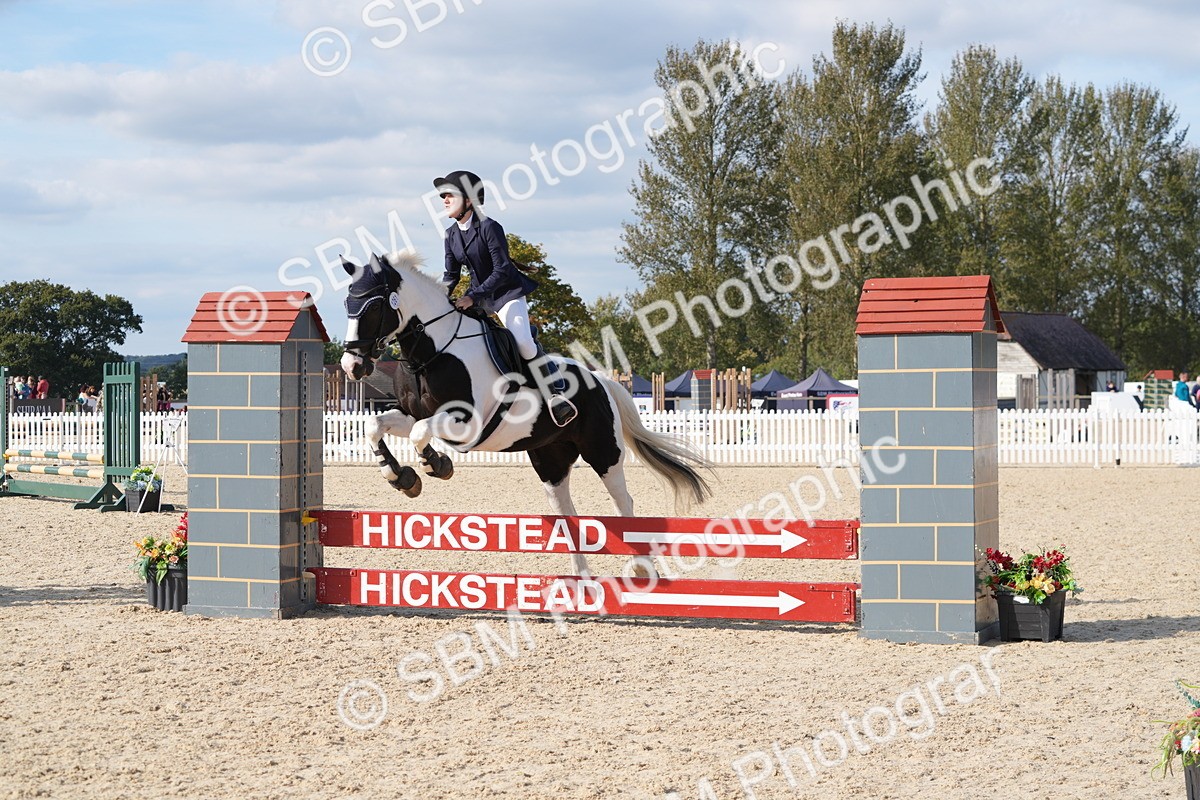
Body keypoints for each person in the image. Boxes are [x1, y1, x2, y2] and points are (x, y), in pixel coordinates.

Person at [434, 169, 577, 426]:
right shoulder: (451, 235)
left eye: (450, 194)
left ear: (469, 200)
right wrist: (440, 298)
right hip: (477, 297)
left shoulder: (490, 227)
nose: (444, 199)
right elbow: (450, 274)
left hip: (505, 294)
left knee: (523, 343)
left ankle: (556, 394)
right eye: (442, 195)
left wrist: (473, 297)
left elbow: (502, 270)